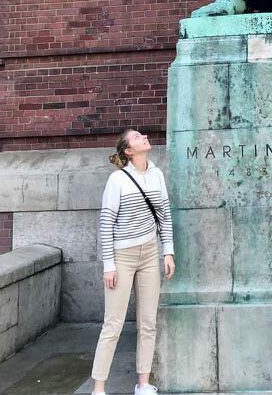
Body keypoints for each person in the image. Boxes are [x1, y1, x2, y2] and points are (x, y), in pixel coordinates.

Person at [91, 129, 175, 395]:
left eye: (142, 135)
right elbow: (106, 222)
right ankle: (99, 388)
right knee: (113, 324)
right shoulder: (117, 180)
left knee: (148, 322)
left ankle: (143, 384)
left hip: (150, 252)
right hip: (122, 256)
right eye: (137, 137)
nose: (144, 138)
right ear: (128, 150)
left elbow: (164, 215)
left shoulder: (157, 174)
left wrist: (168, 251)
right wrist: (109, 265)